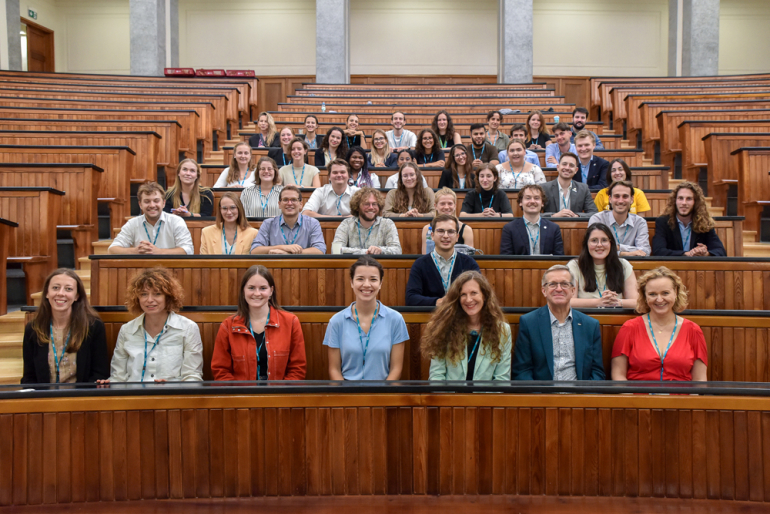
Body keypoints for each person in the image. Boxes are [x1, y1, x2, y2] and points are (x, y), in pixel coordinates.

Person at [101, 268, 203, 383]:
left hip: (171, 398)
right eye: (144, 294)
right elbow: (118, 377)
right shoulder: (127, 330)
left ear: (168, 297)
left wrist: (172, 388)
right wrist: (109, 385)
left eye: (157, 294)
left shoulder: (188, 328)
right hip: (133, 397)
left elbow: (192, 377)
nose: (149, 300)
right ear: (137, 298)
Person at [611, 266, 707, 381]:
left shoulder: (693, 330)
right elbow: (618, 376)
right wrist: (632, 399)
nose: (659, 299)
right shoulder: (629, 328)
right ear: (645, 296)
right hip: (638, 397)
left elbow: (699, 380)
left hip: (680, 398)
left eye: (665, 293)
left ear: (675, 292)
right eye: (652, 294)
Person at [211, 265, 306, 381]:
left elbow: (297, 369)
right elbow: (220, 371)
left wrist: (281, 395)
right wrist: (240, 396)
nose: (257, 293)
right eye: (251, 288)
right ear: (243, 291)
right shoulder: (227, 326)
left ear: (271, 291)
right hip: (240, 396)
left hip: (280, 396)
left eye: (262, 288)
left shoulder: (291, 322)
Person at [511, 264, 606, 381]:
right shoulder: (529, 323)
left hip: (579, 395)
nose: (559, 289)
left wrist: (584, 397)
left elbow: (597, 372)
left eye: (565, 284)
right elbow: (522, 371)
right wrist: (538, 397)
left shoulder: (590, 325)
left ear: (573, 290)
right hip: (542, 395)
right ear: (544, 290)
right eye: (552, 284)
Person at [323, 256, 409, 380]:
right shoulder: (336, 321)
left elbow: (396, 370)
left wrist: (382, 395)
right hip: (346, 393)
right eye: (360, 279)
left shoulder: (395, 319)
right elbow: (334, 370)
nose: (367, 285)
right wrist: (346, 396)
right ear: (352, 282)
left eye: (373, 279)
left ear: (380, 283)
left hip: (383, 392)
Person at [21, 269, 109, 384]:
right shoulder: (33, 328)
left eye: (68, 289)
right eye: (55, 288)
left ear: (76, 296)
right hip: (44, 398)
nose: (61, 293)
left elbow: (100, 374)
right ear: (47, 293)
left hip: (81, 398)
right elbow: (29, 377)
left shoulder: (93, 326)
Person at [421, 271, 512, 381]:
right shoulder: (444, 327)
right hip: (451, 396)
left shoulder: (502, 330)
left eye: (474, 293)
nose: (468, 299)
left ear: (484, 296)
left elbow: (502, 380)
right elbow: (437, 377)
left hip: (486, 397)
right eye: (463, 294)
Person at [406, 214, 481, 306]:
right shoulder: (420, 264)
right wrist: (437, 302)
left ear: (457, 237)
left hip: (462, 317)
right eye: (440, 231)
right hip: (431, 317)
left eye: (450, 231)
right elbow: (411, 298)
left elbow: (479, 295)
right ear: (432, 236)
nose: (445, 236)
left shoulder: (469, 263)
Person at [108, 182, 193, 255]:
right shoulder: (132, 224)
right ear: (140, 204)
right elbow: (112, 249)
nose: (152, 205)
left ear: (163, 203)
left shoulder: (176, 221)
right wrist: (136, 251)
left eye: (156, 201)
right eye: (147, 201)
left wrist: (158, 251)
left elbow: (188, 250)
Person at [566, 223, 639, 309]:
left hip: (614, 319)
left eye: (604, 240)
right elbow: (569, 301)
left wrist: (616, 302)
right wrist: (599, 302)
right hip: (584, 318)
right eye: (594, 240)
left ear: (611, 243)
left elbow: (636, 302)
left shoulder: (623, 265)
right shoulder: (574, 265)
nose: (599, 245)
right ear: (586, 244)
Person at [652, 181, 726, 257]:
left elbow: (721, 251)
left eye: (689, 199)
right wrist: (688, 254)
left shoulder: (704, 222)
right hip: (672, 267)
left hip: (698, 268)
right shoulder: (663, 221)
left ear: (696, 202)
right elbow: (658, 251)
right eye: (680, 198)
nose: (684, 203)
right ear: (675, 201)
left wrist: (705, 253)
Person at [251, 185, 326, 254]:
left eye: (293, 200)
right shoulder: (268, 224)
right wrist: (282, 247)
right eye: (285, 200)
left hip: (303, 267)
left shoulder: (312, 223)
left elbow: (320, 250)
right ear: (279, 204)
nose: (289, 203)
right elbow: (255, 250)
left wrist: (289, 253)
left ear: (301, 204)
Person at [588, 180, 651, 256]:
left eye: (625, 196)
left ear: (632, 199)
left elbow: (645, 251)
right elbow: (594, 248)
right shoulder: (598, 219)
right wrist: (624, 253)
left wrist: (617, 247)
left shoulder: (640, 222)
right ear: (610, 199)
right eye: (616, 196)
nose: (620, 201)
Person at [332, 187, 401, 255]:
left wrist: (380, 250)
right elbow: (335, 250)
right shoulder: (346, 224)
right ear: (357, 207)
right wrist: (366, 252)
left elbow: (397, 250)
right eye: (366, 204)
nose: (371, 207)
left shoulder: (387, 224)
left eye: (374, 204)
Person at [500, 184, 564, 256]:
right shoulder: (509, 228)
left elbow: (559, 257)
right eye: (528, 198)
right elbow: (506, 259)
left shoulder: (553, 228)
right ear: (521, 202)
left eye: (536, 198)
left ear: (542, 203)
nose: (532, 201)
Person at [542, 152, 598, 217]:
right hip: (551, 225)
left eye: (571, 165)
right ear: (558, 167)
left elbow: (593, 213)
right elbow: (534, 214)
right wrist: (553, 216)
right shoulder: (544, 188)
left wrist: (577, 216)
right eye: (564, 164)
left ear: (576, 170)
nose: (567, 168)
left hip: (575, 226)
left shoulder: (583, 189)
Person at [422, 188, 473, 253]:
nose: (446, 207)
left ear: (455, 206)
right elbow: (425, 256)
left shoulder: (466, 230)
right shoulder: (427, 229)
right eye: (442, 204)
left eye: (450, 204)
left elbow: (469, 259)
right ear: (435, 206)